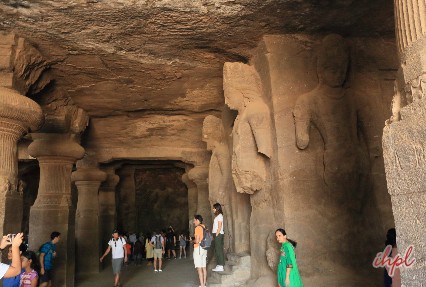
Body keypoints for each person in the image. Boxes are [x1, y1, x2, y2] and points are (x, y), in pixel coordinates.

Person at [193, 215, 207, 287]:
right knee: (204, 267)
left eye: (194, 220)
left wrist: (193, 240)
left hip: (198, 248)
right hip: (204, 248)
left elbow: (197, 240)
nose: (193, 222)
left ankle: (202, 285)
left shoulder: (198, 228)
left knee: (199, 267)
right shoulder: (204, 226)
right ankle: (204, 284)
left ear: (198, 220)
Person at [212, 203, 225, 272]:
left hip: (218, 234)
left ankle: (221, 265)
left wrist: (217, 234)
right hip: (217, 234)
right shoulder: (217, 216)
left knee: (218, 249)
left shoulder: (219, 216)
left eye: (214, 208)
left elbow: (219, 226)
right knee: (217, 249)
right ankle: (219, 264)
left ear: (217, 208)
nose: (213, 209)